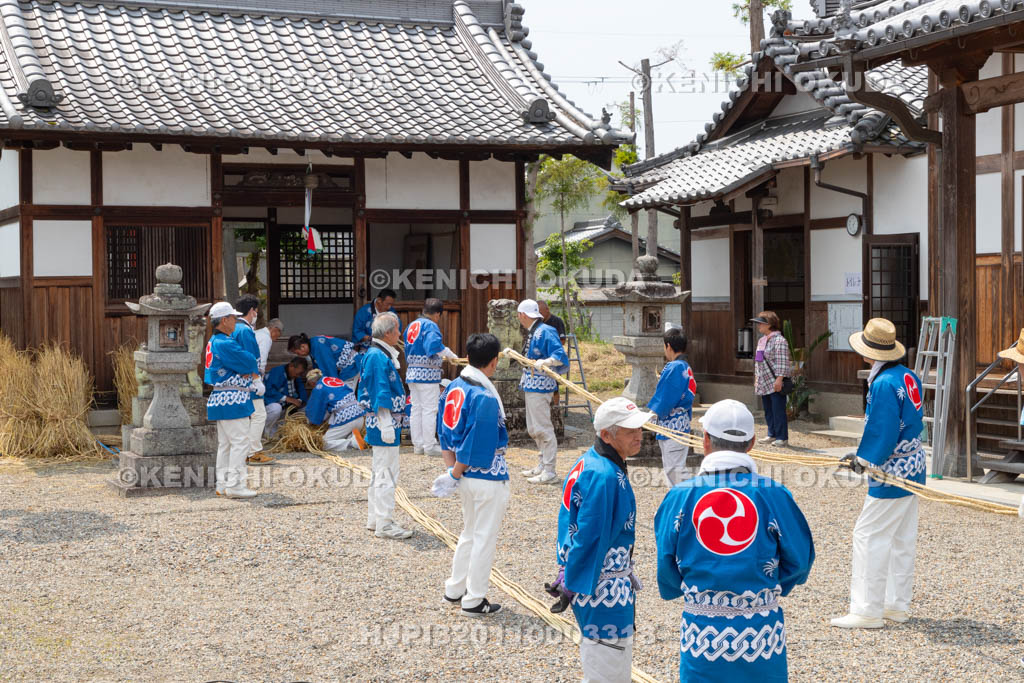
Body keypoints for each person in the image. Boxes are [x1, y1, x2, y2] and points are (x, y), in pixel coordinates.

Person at [655, 399, 815, 681]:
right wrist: (766, 588)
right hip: (761, 633)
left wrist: (693, 590)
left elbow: (666, 565)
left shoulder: (680, 495)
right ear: (751, 443)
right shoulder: (773, 494)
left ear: (705, 440)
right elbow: (800, 561)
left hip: (703, 633)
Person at [546, 397, 649, 682]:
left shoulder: (591, 461)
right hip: (602, 586)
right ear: (606, 435)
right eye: (630, 430)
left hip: (599, 581)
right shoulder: (604, 475)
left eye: (639, 428)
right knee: (608, 670)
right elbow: (590, 538)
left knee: (604, 664)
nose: (639, 435)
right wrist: (573, 582)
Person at [831, 318, 926, 629]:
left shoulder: (883, 383)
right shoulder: (908, 375)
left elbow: (882, 431)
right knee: (900, 538)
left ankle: (867, 610)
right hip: (914, 464)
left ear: (868, 351)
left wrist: (864, 460)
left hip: (892, 469)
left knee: (869, 535)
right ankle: (896, 605)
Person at [431, 333, 510, 617]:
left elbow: (443, 431)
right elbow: (476, 443)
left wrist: (451, 471)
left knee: (469, 532)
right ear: (494, 361)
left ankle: (455, 589)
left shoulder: (453, 386)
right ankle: (474, 599)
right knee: (483, 538)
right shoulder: (484, 396)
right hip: (486, 475)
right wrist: (455, 472)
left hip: (462, 475)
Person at [358, 312, 412, 539]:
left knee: (380, 471)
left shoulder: (377, 354)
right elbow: (379, 391)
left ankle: (376, 518)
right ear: (388, 332)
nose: (399, 334)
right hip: (384, 422)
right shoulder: (377, 357)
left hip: (384, 421)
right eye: (397, 329)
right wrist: (386, 423)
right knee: (386, 473)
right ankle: (385, 524)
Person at [204, 301, 261, 499]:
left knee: (226, 444)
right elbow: (249, 360)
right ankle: (235, 485)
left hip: (221, 396)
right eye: (233, 318)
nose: (235, 321)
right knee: (240, 442)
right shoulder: (225, 343)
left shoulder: (214, 341)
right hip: (232, 397)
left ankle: (223, 484)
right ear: (224, 320)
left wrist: (245, 370)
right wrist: (247, 371)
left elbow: (244, 363)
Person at [509, 299, 569, 485]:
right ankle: (543, 464)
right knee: (534, 428)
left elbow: (559, 355)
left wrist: (547, 362)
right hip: (531, 382)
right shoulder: (534, 331)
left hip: (541, 384)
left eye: (518, 315)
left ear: (522, 315)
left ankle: (550, 470)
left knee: (542, 427)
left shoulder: (546, 330)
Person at [405, 297, 458, 456]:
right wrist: (451, 355)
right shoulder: (430, 325)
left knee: (416, 409)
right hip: (426, 374)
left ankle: (418, 445)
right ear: (437, 314)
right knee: (429, 409)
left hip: (412, 372)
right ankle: (429, 446)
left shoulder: (412, 325)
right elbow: (434, 346)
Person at [648, 327, 697, 486]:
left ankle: (689, 497)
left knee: (675, 472)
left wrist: (650, 415)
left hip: (672, 425)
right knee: (673, 471)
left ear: (668, 346)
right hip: (680, 423)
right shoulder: (685, 366)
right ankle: (679, 499)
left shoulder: (674, 367)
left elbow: (665, 397)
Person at [232, 295, 275, 466]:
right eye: (256, 310)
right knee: (259, 415)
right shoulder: (245, 330)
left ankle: (245, 451)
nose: (256, 314)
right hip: (248, 379)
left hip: (234, 379)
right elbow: (251, 359)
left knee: (244, 418)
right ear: (252, 311)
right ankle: (253, 452)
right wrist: (257, 379)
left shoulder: (234, 328)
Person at [751, 311, 792, 447]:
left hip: (775, 381)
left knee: (778, 410)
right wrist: (757, 378)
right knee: (768, 410)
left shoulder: (780, 341)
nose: (758, 326)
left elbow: (782, 362)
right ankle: (771, 434)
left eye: (760, 323)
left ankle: (782, 437)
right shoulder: (762, 340)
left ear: (769, 324)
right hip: (764, 381)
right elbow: (758, 361)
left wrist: (779, 379)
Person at [306, 369, 367, 452]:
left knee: (322, 443)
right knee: (340, 435)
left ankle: (352, 443)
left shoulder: (319, 387)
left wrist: (311, 422)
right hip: (359, 417)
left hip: (346, 419)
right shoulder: (335, 380)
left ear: (312, 383)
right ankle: (352, 437)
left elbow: (315, 409)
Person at [288, 332, 360, 387]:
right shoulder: (313, 345)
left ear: (302, 347)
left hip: (352, 364)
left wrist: (328, 384)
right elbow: (318, 369)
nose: (299, 355)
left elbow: (329, 366)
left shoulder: (318, 345)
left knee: (343, 393)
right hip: (346, 366)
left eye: (298, 353)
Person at [263, 356, 309, 438]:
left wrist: (300, 400)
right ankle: (266, 432)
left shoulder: (295, 376)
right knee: (276, 408)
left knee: (307, 409)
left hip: (287, 409)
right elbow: (268, 390)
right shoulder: (277, 372)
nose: (298, 376)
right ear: (291, 366)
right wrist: (287, 398)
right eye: (297, 373)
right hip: (273, 406)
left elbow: (301, 390)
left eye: (300, 374)